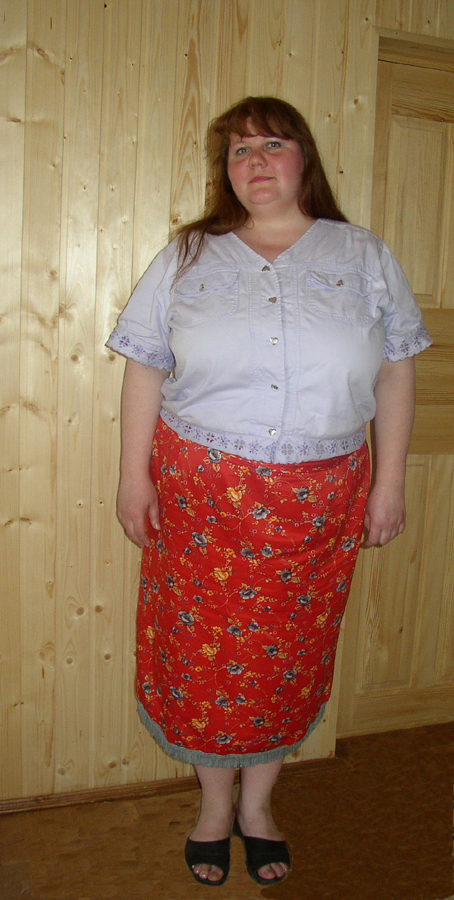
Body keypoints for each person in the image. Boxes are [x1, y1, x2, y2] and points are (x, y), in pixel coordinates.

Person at [107, 96, 431, 886]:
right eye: (239, 150)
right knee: (205, 661)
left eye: (273, 145)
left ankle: (259, 808)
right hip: (202, 502)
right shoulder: (189, 255)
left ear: (303, 159)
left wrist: (389, 482)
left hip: (320, 505)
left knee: (288, 657)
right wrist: (131, 475)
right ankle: (215, 810)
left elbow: (396, 371)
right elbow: (145, 366)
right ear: (225, 170)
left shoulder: (364, 254)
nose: (255, 161)